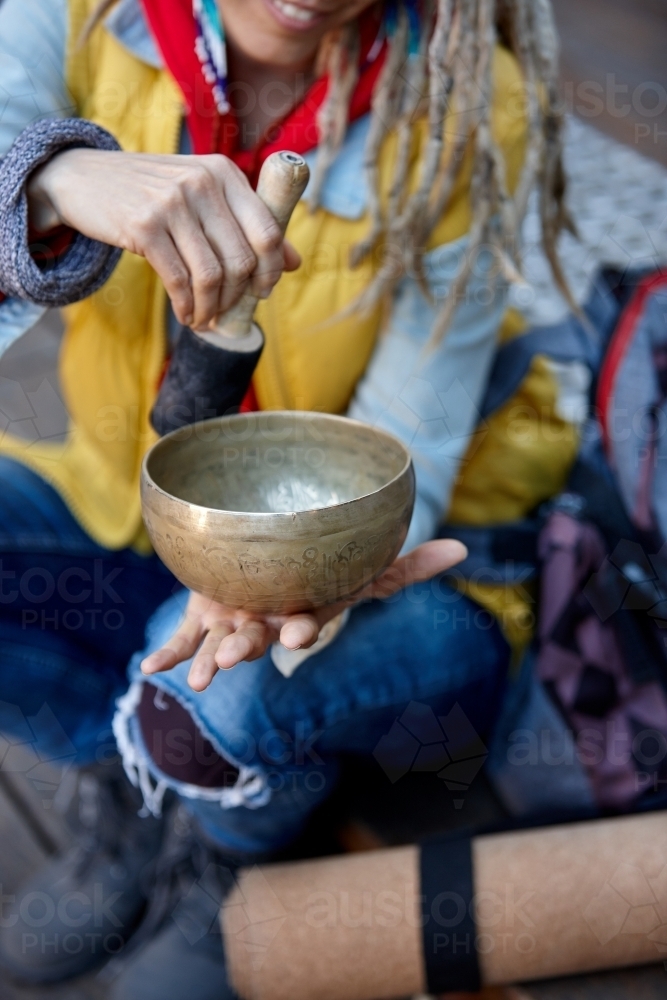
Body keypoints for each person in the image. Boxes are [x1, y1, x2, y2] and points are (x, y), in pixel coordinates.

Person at [0, 0, 577, 994]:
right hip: (128, 508)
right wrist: (49, 179)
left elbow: (409, 452)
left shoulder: (471, 101)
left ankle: (226, 839)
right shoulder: (74, 12)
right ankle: (137, 768)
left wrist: (298, 572)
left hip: (396, 568)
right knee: (186, 676)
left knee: (219, 680)